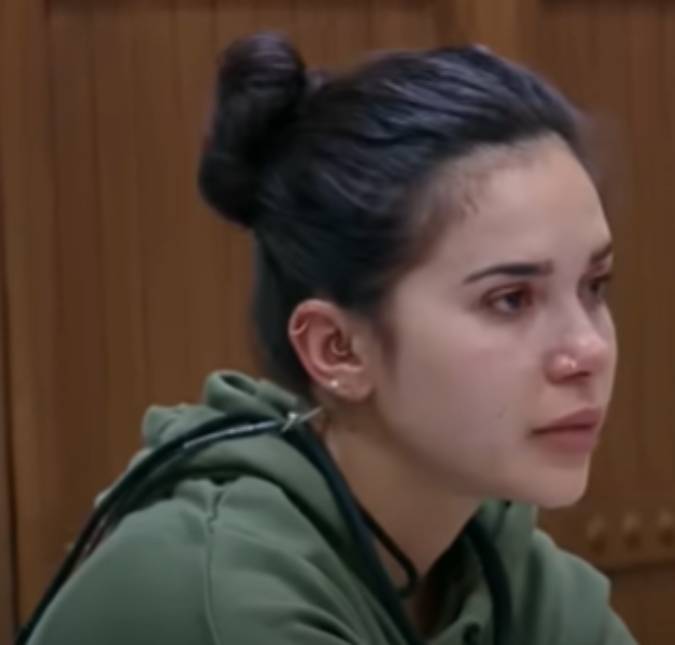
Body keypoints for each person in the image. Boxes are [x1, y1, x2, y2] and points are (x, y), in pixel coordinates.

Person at [24, 33, 636, 645]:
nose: (588, 350)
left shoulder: (500, 563)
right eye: (510, 300)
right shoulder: (222, 598)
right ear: (337, 348)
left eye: (594, 286)